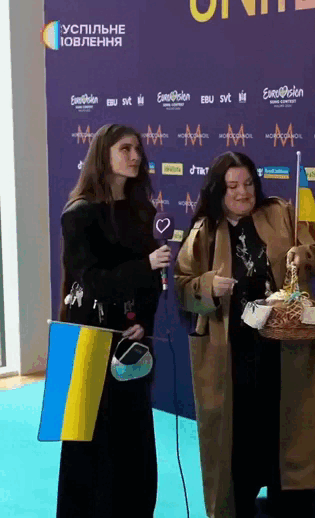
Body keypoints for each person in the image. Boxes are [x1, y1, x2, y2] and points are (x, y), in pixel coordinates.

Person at [174, 151, 315, 518]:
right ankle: (240, 501)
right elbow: (182, 285)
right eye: (233, 186)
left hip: (284, 346)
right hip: (233, 352)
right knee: (240, 435)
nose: (243, 192)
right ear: (218, 190)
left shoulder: (280, 212)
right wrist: (208, 286)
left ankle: (292, 503)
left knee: (289, 428)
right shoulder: (205, 231)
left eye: (249, 183)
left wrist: (305, 255)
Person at [56, 124, 171, 517]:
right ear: (103, 154)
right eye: (125, 149)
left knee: (132, 442)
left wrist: (144, 321)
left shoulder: (144, 211)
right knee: (88, 445)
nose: (135, 156)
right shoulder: (80, 213)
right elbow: (90, 281)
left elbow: (154, 283)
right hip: (87, 343)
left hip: (131, 343)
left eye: (138, 148)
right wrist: (145, 265)